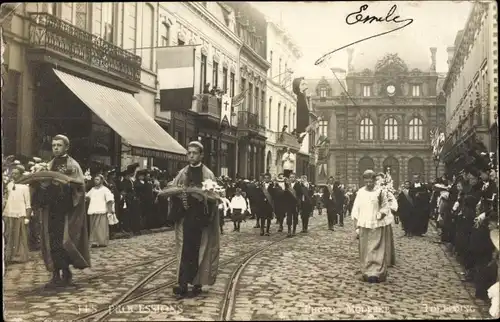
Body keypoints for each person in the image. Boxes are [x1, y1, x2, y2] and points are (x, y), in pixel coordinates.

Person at [34, 134, 90, 288]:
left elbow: (80, 187)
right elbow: (42, 185)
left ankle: (66, 272)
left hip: (66, 210)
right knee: (52, 241)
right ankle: (55, 274)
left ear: (66, 147)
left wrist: (68, 183)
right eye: (54, 145)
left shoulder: (73, 165)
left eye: (59, 145)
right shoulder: (48, 165)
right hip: (51, 209)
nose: (56, 148)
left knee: (63, 241)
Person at [169, 141, 219, 298]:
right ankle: (182, 283)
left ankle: (197, 282)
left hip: (201, 219)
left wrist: (203, 198)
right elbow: (173, 190)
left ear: (201, 155)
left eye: (194, 153)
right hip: (185, 218)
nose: (191, 156)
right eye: (189, 153)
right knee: (184, 250)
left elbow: (214, 197)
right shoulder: (182, 173)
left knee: (200, 250)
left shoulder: (208, 174)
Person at [351, 170, 395, 283]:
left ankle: (376, 272)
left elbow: (385, 206)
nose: (369, 184)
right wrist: (356, 226)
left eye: (371, 181)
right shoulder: (360, 192)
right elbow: (356, 209)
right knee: (365, 249)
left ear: (374, 181)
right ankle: (366, 271)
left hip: (377, 223)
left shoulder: (380, 192)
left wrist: (381, 213)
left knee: (377, 248)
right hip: (364, 224)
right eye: (366, 182)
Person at [3, 164, 32, 263]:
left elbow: (28, 202)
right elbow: (7, 199)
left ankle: (20, 256)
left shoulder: (25, 187)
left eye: (16, 174)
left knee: (20, 235)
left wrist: (27, 216)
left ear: (20, 174)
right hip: (10, 213)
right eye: (13, 173)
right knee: (9, 234)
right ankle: (9, 256)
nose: (13, 175)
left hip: (20, 213)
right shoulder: (9, 185)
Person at [86, 175, 114, 247]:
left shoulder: (105, 189)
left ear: (101, 180)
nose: (96, 181)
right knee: (93, 227)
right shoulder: (92, 189)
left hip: (102, 210)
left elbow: (110, 200)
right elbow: (87, 197)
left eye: (97, 179)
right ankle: (94, 242)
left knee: (101, 227)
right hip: (93, 210)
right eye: (95, 179)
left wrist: (110, 211)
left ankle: (102, 242)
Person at [285, 172, 302, 237]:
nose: (292, 178)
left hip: (295, 204)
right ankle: (289, 231)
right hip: (289, 203)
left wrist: (299, 203)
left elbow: (300, 195)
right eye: (290, 177)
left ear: (295, 178)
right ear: (289, 178)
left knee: (295, 217)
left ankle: (294, 230)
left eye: (293, 177)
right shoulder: (287, 185)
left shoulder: (298, 185)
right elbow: (285, 194)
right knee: (289, 217)